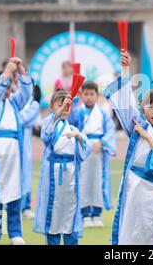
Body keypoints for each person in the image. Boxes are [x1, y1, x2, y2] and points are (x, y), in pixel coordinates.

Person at [102, 48, 153, 245]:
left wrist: (148, 138)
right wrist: (126, 69)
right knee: (130, 230)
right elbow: (126, 104)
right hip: (134, 184)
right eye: (150, 107)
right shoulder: (138, 125)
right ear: (143, 110)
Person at [0, 57, 33, 245]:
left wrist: (20, 70)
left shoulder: (14, 103)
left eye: (10, 86)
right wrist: (5, 75)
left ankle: (15, 233)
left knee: (14, 193)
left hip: (14, 156)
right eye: (4, 85)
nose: (7, 90)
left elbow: (27, 92)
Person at [33, 90, 90, 245]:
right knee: (53, 215)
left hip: (71, 176)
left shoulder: (72, 128)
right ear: (52, 107)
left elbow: (85, 152)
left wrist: (79, 137)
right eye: (60, 105)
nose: (64, 108)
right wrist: (58, 113)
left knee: (70, 214)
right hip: (53, 174)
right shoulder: (49, 123)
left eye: (67, 106)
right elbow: (45, 135)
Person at [68, 81, 116, 228]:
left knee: (98, 181)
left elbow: (110, 130)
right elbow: (71, 122)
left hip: (98, 150)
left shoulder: (103, 114)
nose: (88, 97)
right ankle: (84, 213)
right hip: (83, 148)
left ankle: (96, 213)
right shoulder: (78, 111)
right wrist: (73, 102)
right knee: (83, 180)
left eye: (91, 94)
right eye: (86, 94)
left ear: (97, 95)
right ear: (81, 95)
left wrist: (101, 143)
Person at [20, 83, 42, 219]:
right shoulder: (13, 100)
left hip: (25, 143)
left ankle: (25, 206)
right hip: (10, 143)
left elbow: (24, 119)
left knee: (26, 174)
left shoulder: (33, 104)